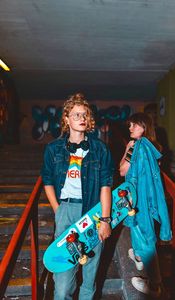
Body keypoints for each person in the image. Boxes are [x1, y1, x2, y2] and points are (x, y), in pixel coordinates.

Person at [41, 93, 114, 300]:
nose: (81, 118)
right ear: (66, 119)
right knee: (63, 279)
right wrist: (58, 209)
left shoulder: (100, 149)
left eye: (85, 114)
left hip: (93, 210)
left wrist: (105, 220)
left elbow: (106, 185)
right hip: (66, 209)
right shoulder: (53, 149)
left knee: (90, 271)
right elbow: (47, 181)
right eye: (76, 115)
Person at [119, 112, 172, 298]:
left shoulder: (136, 146)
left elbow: (122, 169)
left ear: (144, 126)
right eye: (130, 125)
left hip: (138, 199)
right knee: (144, 235)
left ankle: (155, 285)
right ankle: (140, 258)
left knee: (146, 239)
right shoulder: (153, 147)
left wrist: (127, 149)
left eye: (134, 125)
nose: (131, 128)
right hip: (149, 199)